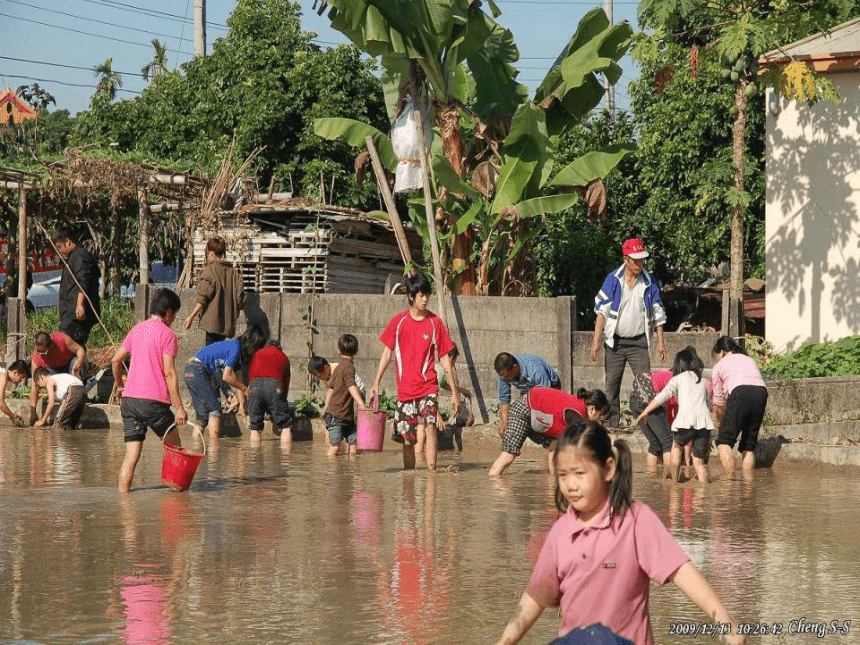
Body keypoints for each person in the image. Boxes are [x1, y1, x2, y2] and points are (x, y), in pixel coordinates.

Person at [495, 420, 746, 645]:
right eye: (563, 475)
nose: (571, 485)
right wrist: (505, 641)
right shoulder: (561, 532)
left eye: (580, 474)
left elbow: (682, 573)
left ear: (609, 469)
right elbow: (535, 598)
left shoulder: (635, 521)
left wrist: (725, 623)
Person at [369, 273, 459, 471]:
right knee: (406, 437)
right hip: (406, 390)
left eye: (427, 294)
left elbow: (445, 359)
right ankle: (408, 478)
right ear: (411, 296)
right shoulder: (398, 322)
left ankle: (432, 474)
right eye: (421, 295)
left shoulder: (435, 323)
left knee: (430, 427)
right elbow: (386, 353)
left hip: (428, 387)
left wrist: (454, 392)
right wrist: (376, 382)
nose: (425, 299)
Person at [111, 288, 187, 493]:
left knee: (131, 455)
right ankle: (178, 499)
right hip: (153, 403)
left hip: (129, 401)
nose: (174, 319)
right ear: (169, 312)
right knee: (175, 449)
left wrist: (120, 387)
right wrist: (179, 408)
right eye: (175, 315)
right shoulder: (168, 335)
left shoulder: (137, 330)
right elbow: (170, 373)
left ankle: (123, 502)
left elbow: (115, 360)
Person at [590, 238, 667, 428]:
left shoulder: (649, 283)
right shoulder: (613, 280)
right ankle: (611, 423)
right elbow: (601, 311)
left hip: (639, 342)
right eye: (636, 260)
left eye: (642, 260)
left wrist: (661, 342)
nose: (639, 264)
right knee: (611, 385)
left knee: (645, 385)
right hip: (615, 343)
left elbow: (658, 312)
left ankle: (648, 425)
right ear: (626, 260)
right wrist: (596, 341)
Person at [488, 387, 609, 476]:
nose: (599, 419)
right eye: (600, 416)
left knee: (555, 446)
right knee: (508, 456)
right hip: (524, 409)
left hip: (536, 414)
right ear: (593, 409)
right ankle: (494, 479)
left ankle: (553, 483)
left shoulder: (578, 408)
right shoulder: (577, 414)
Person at [635, 347, 715, 483]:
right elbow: (707, 406)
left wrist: (645, 411)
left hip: (684, 423)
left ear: (678, 365)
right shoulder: (702, 382)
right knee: (699, 463)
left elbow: (661, 398)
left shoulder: (677, 379)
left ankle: (674, 483)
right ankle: (704, 490)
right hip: (703, 425)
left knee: (676, 447)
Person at [184, 327, 265, 439]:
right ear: (251, 345)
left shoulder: (236, 351)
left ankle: (196, 450)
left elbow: (238, 380)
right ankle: (214, 452)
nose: (255, 354)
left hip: (190, 370)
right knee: (215, 410)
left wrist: (242, 406)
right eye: (256, 350)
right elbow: (227, 377)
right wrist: (245, 389)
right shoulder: (235, 348)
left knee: (202, 419)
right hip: (198, 369)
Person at [711, 336, 768, 475]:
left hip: (740, 392)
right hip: (761, 393)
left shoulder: (720, 365)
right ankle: (748, 487)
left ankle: (729, 487)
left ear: (722, 352)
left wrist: (719, 420)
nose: (716, 359)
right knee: (748, 445)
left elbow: (719, 402)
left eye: (716, 355)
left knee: (724, 442)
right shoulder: (749, 359)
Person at [182, 237, 246, 344]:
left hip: (212, 325)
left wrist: (191, 317)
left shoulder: (209, 271)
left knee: (211, 356)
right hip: (228, 325)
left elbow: (203, 299)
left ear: (211, 254)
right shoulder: (234, 273)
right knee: (221, 357)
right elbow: (240, 298)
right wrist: (234, 313)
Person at [314, 334, 367, 457]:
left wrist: (326, 408)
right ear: (356, 351)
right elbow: (351, 387)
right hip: (338, 416)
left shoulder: (338, 367)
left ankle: (342, 473)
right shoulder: (349, 367)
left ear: (339, 350)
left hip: (343, 415)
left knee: (351, 444)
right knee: (336, 447)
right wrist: (362, 405)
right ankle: (335, 474)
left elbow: (331, 388)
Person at [52, 227, 101, 346]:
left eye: (59, 247)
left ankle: (81, 364)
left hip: (76, 314)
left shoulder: (80, 256)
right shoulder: (73, 257)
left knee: (68, 346)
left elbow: (84, 281)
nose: (59, 251)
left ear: (68, 242)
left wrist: (80, 304)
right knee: (74, 347)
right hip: (71, 313)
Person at [494, 352, 561, 439]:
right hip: (527, 389)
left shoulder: (535, 370)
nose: (505, 379)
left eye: (507, 376)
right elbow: (505, 401)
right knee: (520, 414)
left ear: (515, 368)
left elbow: (545, 397)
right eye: (503, 376)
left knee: (546, 419)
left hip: (550, 387)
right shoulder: (504, 375)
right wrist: (504, 423)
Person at [28, 330, 87, 425]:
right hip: (53, 371)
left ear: (50, 346)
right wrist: (33, 413)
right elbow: (34, 385)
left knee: (77, 363)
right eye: (37, 351)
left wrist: (80, 360)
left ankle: (74, 397)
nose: (39, 354)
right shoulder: (36, 358)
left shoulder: (62, 339)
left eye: (42, 352)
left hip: (69, 365)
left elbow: (80, 350)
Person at [246, 339, 293, 448]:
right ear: (279, 347)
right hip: (275, 386)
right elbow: (285, 384)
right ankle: (286, 460)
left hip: (255, 386)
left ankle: (254, 459)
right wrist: (278, 405)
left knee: (255, 427)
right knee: (285, 426)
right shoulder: (283, 356)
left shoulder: (257, 354)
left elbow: (251, 376)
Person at [0, 360, 31, 427]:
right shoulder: (3, 377)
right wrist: (12, 416)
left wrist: (7, 414)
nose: (21, 381)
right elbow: (1, 402)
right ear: (16, 373)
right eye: (22, 377)